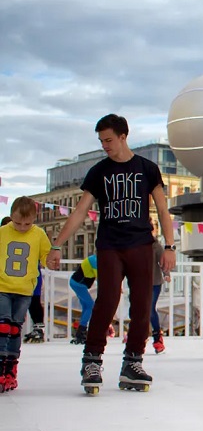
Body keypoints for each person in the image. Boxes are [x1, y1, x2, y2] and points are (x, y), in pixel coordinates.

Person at [46, 114, 176, 394]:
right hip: (110, 245)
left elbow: (163, 210)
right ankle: (91, 360)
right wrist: (57, 244)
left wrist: (169, 246)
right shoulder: (99, 171)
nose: (104, 145)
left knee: (143, 305)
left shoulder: (148, 168)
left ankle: (133, 362)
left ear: (123, 136)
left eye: (108, 140)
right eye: (101, 140)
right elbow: (80, 210)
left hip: (142, 244)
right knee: (107, 300)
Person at [0, 197, 51, 392]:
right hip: (3, 287)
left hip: (24, 290)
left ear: (34, 219)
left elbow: (45, 256)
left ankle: (11, 369)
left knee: (15, 328)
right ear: (11, 216)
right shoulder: (2, 232)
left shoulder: (38, 234)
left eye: (27, 223)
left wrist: (51, 260)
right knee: (3, 325)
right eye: (17, 222)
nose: (22, 227)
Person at [2, 216, 46, 345]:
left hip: (28, 279)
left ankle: (37, 328)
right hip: (9, 281)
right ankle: (8, 327)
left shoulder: (33, 235)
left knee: (34, 302)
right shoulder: (4, 236)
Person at [149, 220, 170, 354]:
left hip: (154, 282)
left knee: (150, 308)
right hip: (138, 281)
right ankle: (137, 335)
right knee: (136, 308)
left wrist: (166, 273)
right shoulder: (134, 245)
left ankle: (157, 338)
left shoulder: (156, 246)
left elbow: (163, 260)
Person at [68, 254, 98, 344]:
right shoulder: (95, 261)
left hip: (77, 283)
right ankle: (82, 331)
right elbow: (101, 277)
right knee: (90, 305)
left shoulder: (94, 258)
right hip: (78, 284)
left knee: (86, 306)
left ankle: (81, 331)